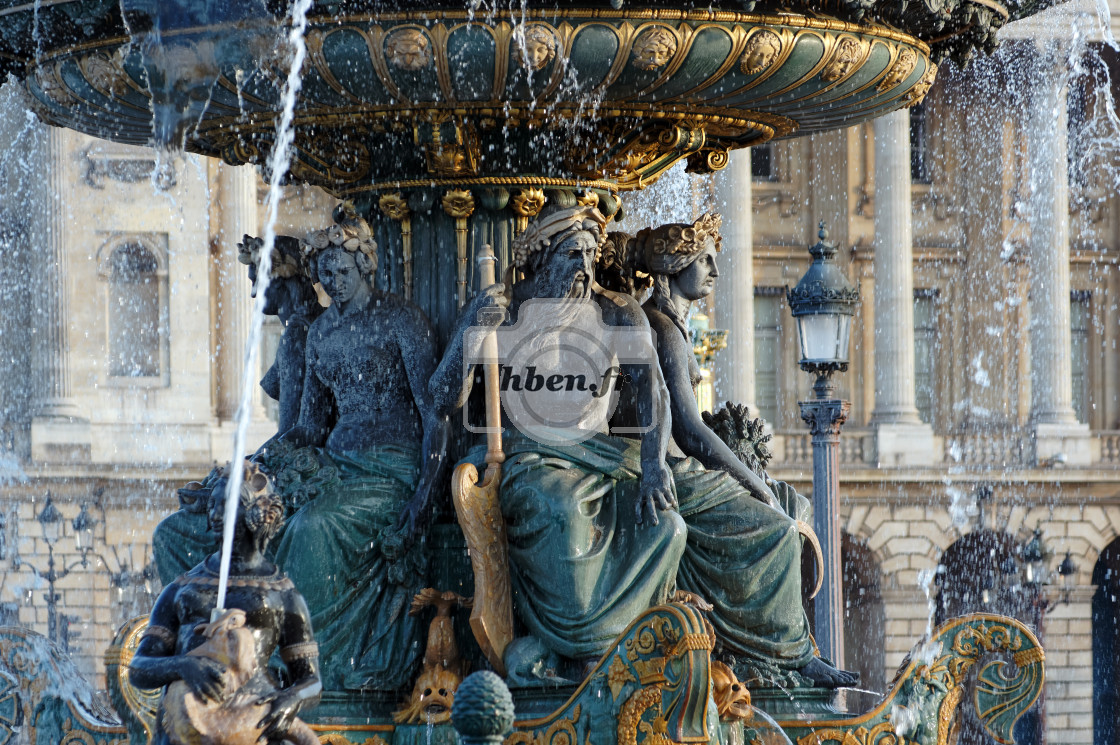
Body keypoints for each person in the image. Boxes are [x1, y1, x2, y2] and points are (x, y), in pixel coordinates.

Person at [436, 204, 684, 673]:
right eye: (572, 254)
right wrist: (473, 329)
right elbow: (441, 400)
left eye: (591, 255)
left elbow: (656, 394)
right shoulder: (504, 311)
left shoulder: (617, 311)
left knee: (668, 525)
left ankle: (626, 647)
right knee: (564, 512)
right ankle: (578, 649)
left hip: (606, 454)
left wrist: (655, 467)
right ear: (543, 257)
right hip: (529, 456)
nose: (584, 268)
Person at [623, 214, 856, 688]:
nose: (713, 269)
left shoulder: (670, 325)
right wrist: (751, 482)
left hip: (677, 464)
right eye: (703, 259)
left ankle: (791, 642)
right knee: (772, 523)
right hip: (664, 469)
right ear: (673, 266)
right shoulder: (661, 329)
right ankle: (788, 655)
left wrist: (759, 480)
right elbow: (688, 431)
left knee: (792, 501)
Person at [263, 204, 449, 691]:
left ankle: (309, 663)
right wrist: (256, 466)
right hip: (336, 464)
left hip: (392, 469)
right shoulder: (320, 333)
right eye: (325, 275)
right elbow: (308, 425)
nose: (333, 282)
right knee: (263, 518)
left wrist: (425, 495)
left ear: (365, 265)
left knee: (313, 526)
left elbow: (435, 413)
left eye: (342, 271)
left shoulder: (401, 321)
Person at [129, 461, 321, 745]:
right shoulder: (181, 589)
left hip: (253, 726)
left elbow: (312, 682)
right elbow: (139, 669)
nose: (216, 515)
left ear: (257, 514)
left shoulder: (283, 593)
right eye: (213, 506)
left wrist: (291, 699)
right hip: (185, 727)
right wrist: (183, 666)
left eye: (228, 506)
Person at [237, 234, 323, 434]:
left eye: (256, 281)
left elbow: (289, 433)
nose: (253, 293)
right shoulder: (316, 322)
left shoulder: (296, 338)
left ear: (277, 279)